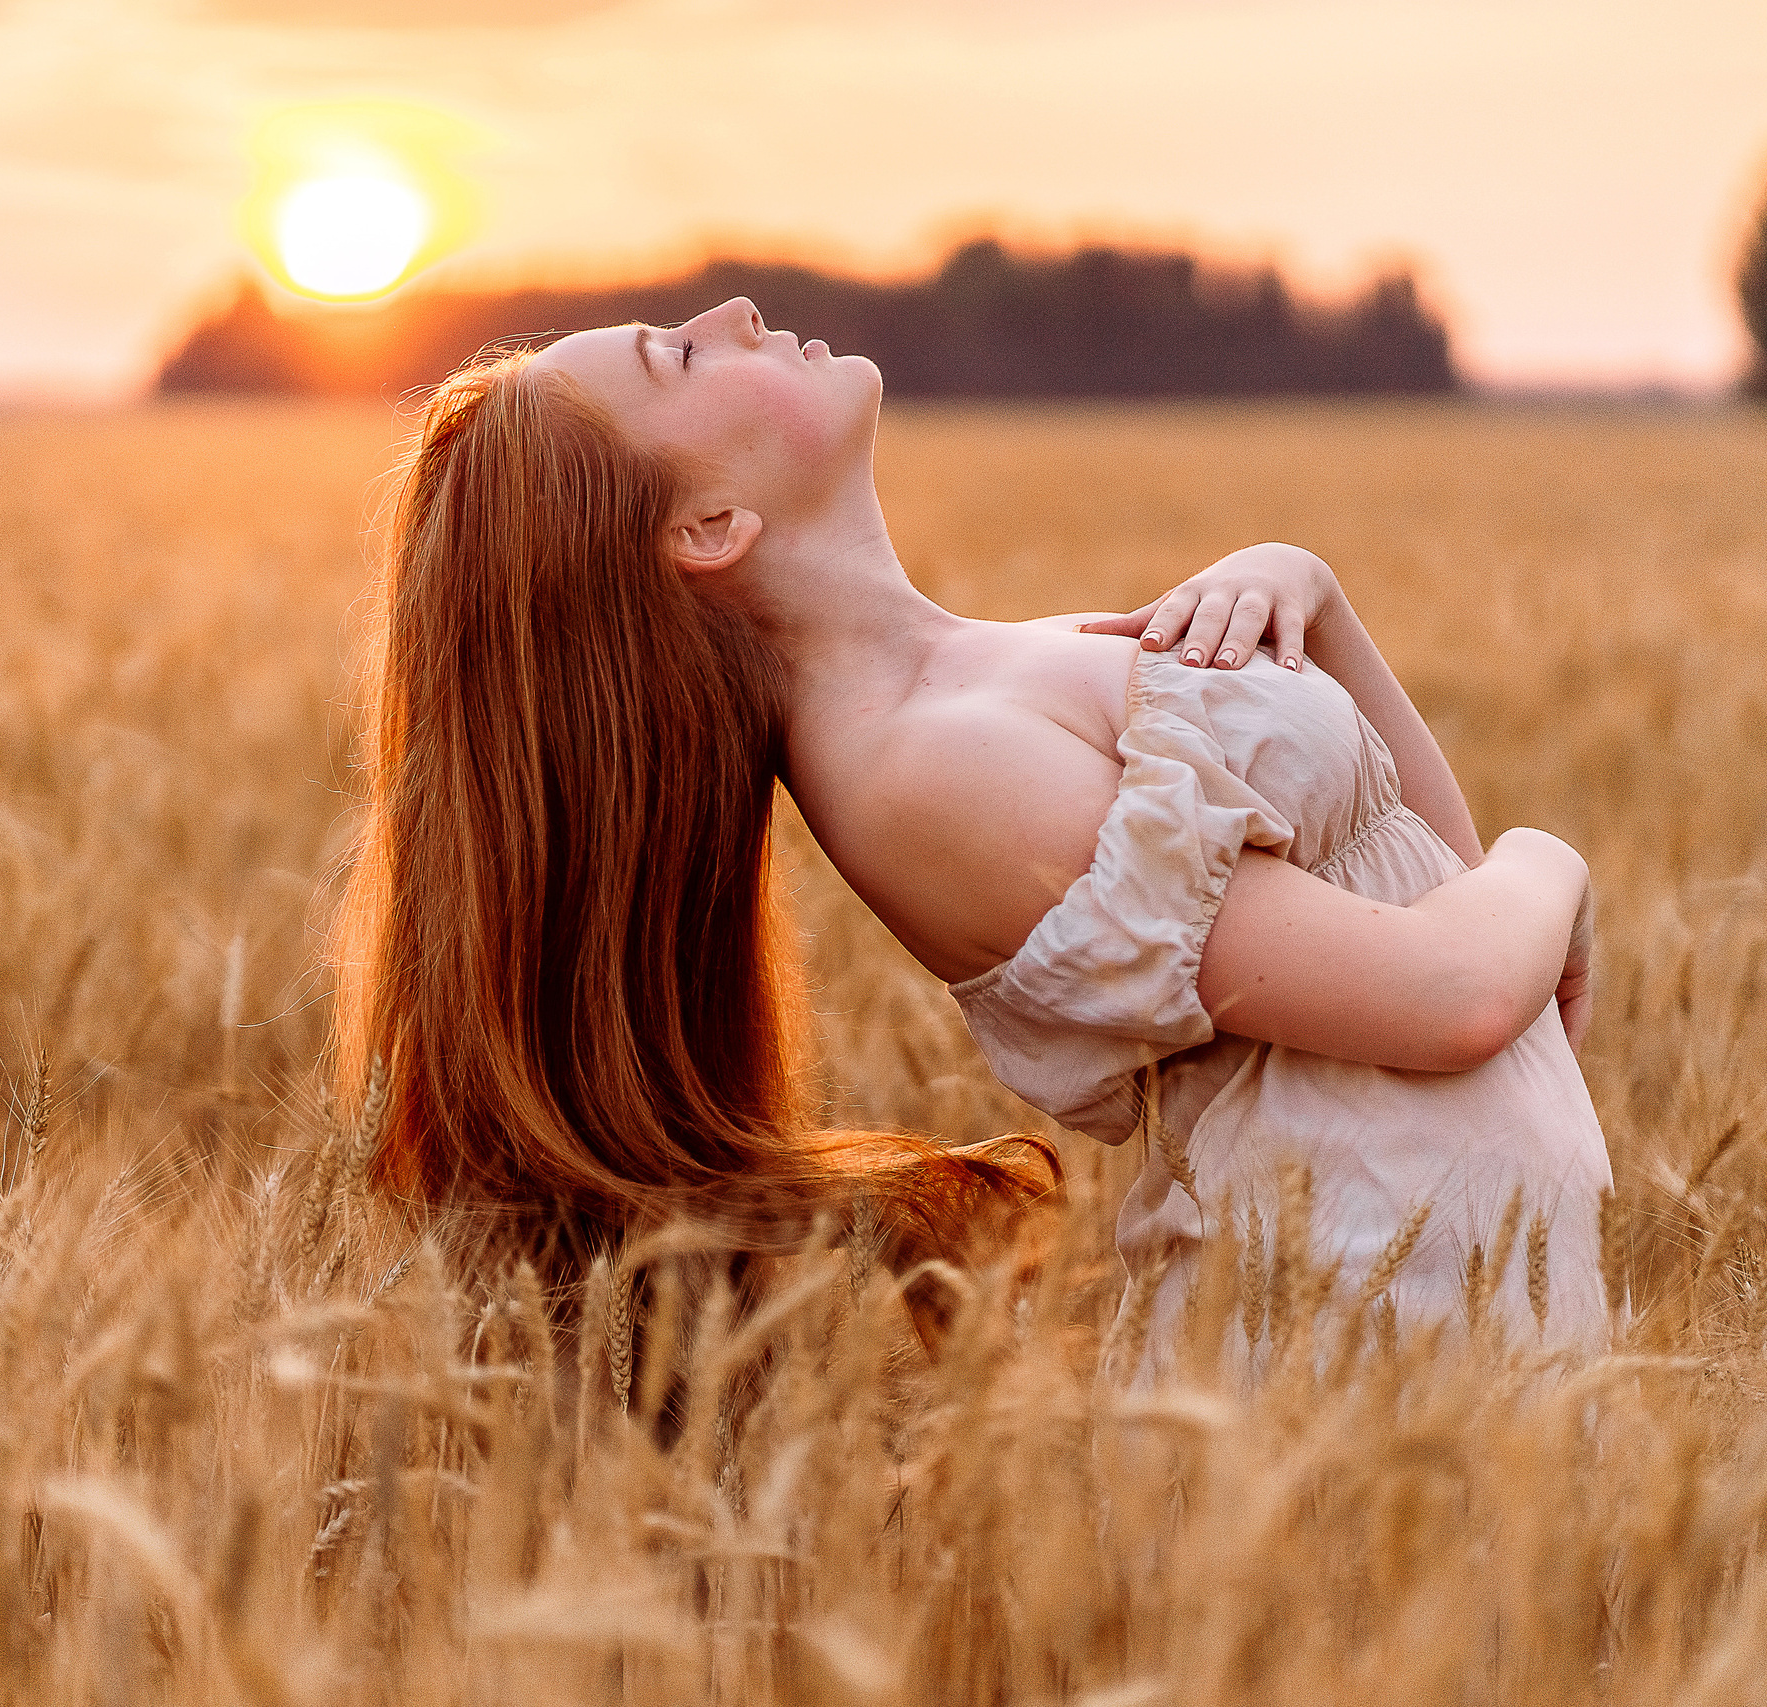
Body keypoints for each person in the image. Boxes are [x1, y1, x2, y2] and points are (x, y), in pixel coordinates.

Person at [336, 296, 1613, 1375]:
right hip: (1358, 1339)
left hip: (1457, 1304)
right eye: (679, 356)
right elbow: (1449, 992)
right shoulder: (926, 772)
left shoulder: (991, 670)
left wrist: (1310, 592)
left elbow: (1419, 868)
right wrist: (1551, 864)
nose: (729, 314)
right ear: (708, 529)